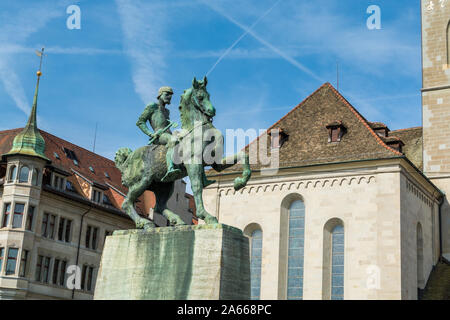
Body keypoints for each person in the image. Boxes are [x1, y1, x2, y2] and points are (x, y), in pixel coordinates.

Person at [136, 86, 181, 182]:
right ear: (160, 95)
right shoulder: (152, 106)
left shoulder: (167, 111)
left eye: (171, 95)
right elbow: (140, 122)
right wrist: (151, 134)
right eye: (167, 94)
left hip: (168, 134)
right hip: (159, 135)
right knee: (172, 140)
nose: (169, 97)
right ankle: (170, 168)